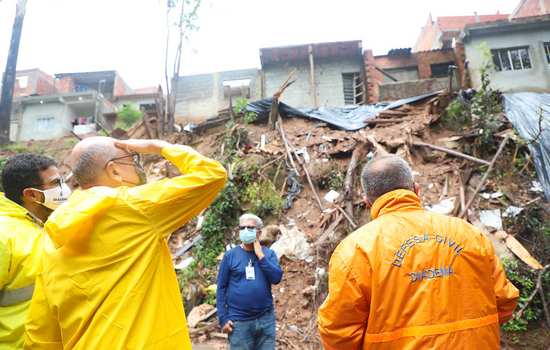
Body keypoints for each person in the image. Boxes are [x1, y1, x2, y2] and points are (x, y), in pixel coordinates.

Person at [24, 138, 227, 350]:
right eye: (132, 158)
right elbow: (211, 175)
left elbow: (41, 332)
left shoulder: (53, 233)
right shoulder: (133, 206)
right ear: (114, 171)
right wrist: (158, 147)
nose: (138, 166)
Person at [318, 154, 519, 350]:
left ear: (368, 201)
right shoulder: (470, 234)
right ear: (416, 190)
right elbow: (504, 299)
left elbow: (339, 331)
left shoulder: (356, 250)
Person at [0, 154, 70, 349]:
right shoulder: (4, 234)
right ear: (31, 194)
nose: (64, 189)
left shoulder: (46, 224)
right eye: (56, 183)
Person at [216, 213, 283, 350]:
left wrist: (260, 256)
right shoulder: (230, 256)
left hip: (266, 320)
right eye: (242, 228)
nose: (245, 231)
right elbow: (221, 288)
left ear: (259, 232)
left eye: (250, 228)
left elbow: (276, 278)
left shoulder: (268, 254)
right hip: (239, 323)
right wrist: (223, 318)